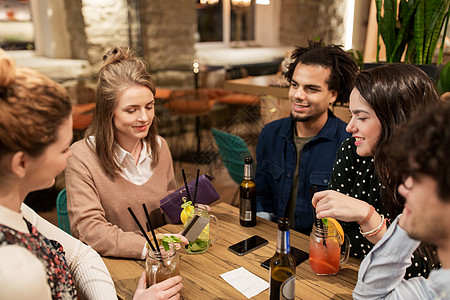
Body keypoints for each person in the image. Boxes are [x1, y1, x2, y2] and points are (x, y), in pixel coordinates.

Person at [0, 50, 186, 300]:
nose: (69, 154)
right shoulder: (16, 270)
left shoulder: (23, 214)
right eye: (62, 147)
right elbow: (89, 232)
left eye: (150, 106)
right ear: (21, 162)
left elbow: (79, 255)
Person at [312, 64, 441, 278]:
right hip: (353, 274)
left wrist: (369, 218)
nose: (349, 127)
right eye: (351, 115)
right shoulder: (352, 150)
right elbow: (334, 231)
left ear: (399, 121)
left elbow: (423, 267)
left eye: (361, 118)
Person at [65, 47, 177, 259]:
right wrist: (146, 247)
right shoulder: (81, 156)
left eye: (149, 106)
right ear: (109, 111)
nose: (144, 118)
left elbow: (168, 206)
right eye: (131, 110)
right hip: (115, 270)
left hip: (161, 258)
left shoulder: (160, 146)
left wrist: (189, 211)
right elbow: (89, 229)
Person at [256, 39, 359, 234]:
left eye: (311, 89)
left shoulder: (349, 145)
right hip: (274, 240)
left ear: (333, 95)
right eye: (295, 85)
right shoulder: (270, 134)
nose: (298, 95)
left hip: (321, 248)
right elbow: (262, 193)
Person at [353, 102, 450, 299]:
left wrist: (371, 219)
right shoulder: (438, 288)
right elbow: (371, 296)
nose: (404, 188)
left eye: (417, 177)